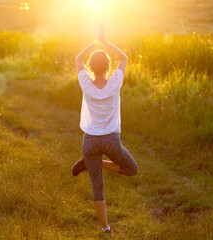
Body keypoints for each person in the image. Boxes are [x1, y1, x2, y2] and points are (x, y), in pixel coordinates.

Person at [72, 25, 138, 234]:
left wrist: (94, 42)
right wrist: (105, 42)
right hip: (110, 139)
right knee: (132, 169)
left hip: (90, 141)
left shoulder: (86, 83)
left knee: (97, 187)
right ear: (108, 66)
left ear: (90, 67)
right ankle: (94, 163)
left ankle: (105, 229)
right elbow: (124, 58)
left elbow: (77, 59)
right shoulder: (114, 83)